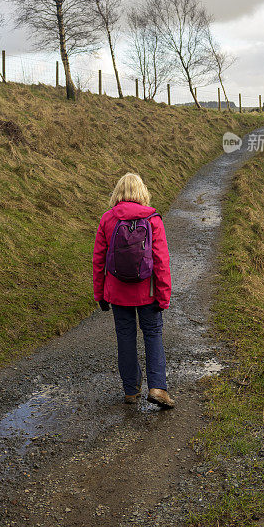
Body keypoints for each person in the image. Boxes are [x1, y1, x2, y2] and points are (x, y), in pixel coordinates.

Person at [92, 173, 175, 408]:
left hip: (118, 293)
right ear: (142, 192)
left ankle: (130, 390)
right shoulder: (152, 219)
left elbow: (98, 260)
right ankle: (158, 387)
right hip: (148, 292)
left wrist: (100, 293)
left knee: (125, 337)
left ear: (118, 192)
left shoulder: (108, 219)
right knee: (153, 334)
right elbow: (161, 260)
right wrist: (163, 294)